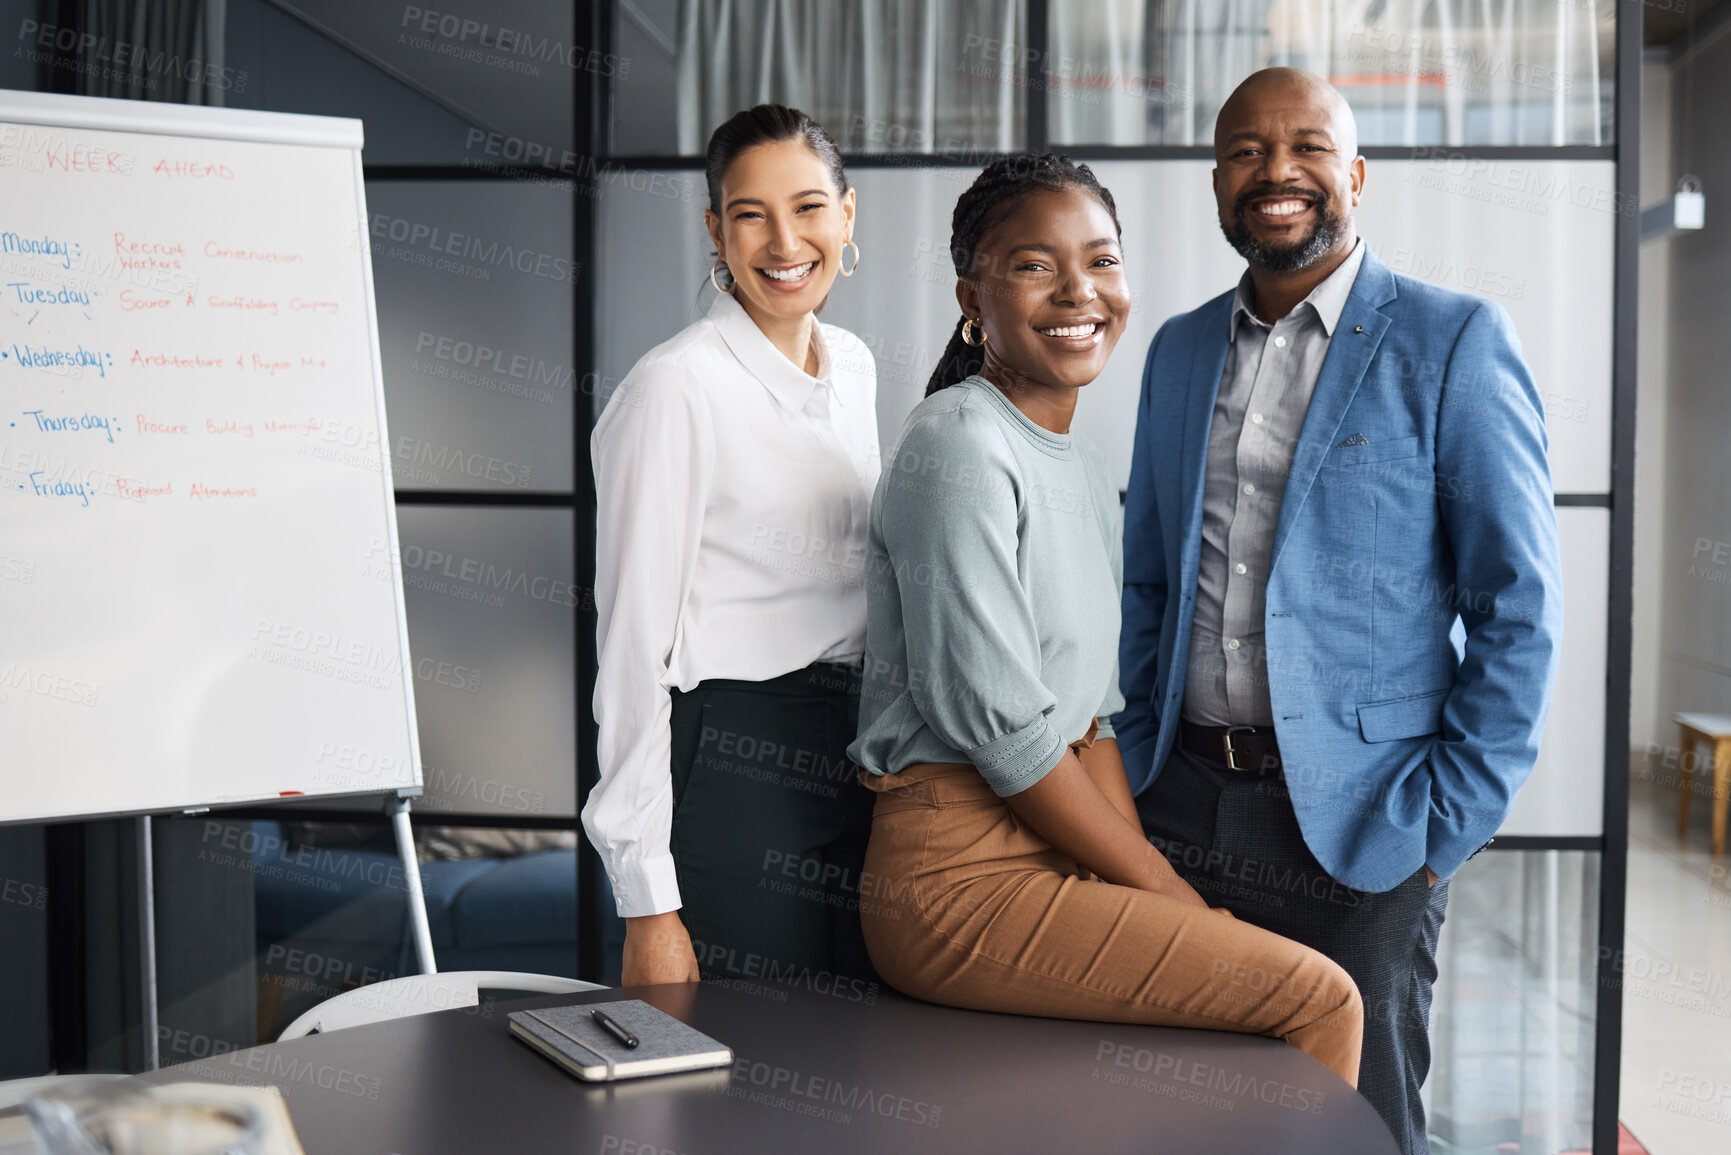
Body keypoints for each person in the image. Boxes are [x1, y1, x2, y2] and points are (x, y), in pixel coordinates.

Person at [1116, 68, 1563, 1155]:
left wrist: (1441, 826)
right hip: (1178, 808)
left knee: (1357, 1124)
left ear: (1355, 176)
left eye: (1308, 148)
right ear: (1217, 183)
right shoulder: (1177, 350)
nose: (1278, 173)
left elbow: (1518, 607)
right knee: (1187, 1109)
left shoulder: (1451, 341)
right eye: (1245, 153)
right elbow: (1148, 583)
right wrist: (1139, 752)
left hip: (1367, 830)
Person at [846, 154, 1364, 1083]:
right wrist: (1167, 892)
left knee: (1205, 1032)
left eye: (1101, 261)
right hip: (955, 875)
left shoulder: (1079, 464)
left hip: (1051, 837)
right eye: (1033, 265)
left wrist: (1143, 889)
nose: (1078, 291)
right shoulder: (957, 443)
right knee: (1318, 997)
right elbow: (1004, 732)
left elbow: (1091, 721)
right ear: (973, 294)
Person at [587, 104, 879, 987]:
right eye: (750, 214)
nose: (783, 240)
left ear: (847, 215)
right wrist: (647, 900)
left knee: (862, 1056)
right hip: (736, 754)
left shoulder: (855, 365)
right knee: (753, 1070)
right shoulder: (675, 388)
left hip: (856, 750)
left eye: (808, 208)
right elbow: (631, 647)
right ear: (715, 230)